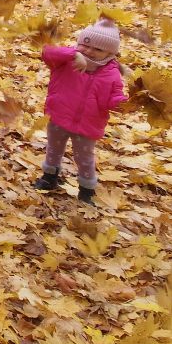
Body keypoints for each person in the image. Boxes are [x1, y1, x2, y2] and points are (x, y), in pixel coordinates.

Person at [33, 18, 128, 205]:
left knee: (84, 158)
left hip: (87, 125)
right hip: (59, 116)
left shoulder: (112, 73)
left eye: (98, 49)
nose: (90, 51)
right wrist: (72, 54)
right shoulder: (66, 60)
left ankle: (86, 190)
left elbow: (114, 96)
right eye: (86, 45)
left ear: (110, 53)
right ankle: (49, 177)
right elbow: (47, 52)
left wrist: (122, 103)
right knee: (54, 150)